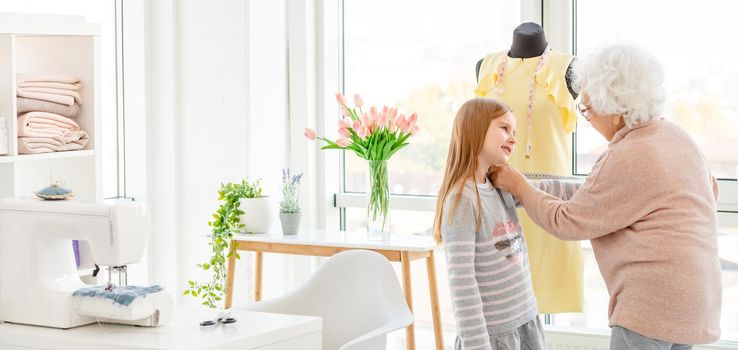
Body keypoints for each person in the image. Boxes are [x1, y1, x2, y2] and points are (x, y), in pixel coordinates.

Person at [491, 44, 722, 350]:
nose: (586, 118)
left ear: (614, 111)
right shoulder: (678, 138)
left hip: (650, 307)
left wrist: (520, 188)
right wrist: (530, 186)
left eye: (586, 108)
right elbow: (607, 197)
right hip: (696, 302)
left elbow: (567, 221)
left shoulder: (625, 154)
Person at [433, 98, 579, 350]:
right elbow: (463, 287)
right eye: (504, 128)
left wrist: (598, 189)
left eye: (515, 132)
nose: (513, 138)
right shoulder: (462, 200)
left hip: (525, 323)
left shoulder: (499, 185)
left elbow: (548, 188)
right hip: (493, 337)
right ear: (475, 129)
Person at [475, 21, 584, 314]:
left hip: (550, 203)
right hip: (497, 201)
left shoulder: (569, 68)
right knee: (504, 304)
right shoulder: (484, 67)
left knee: (546, 297)